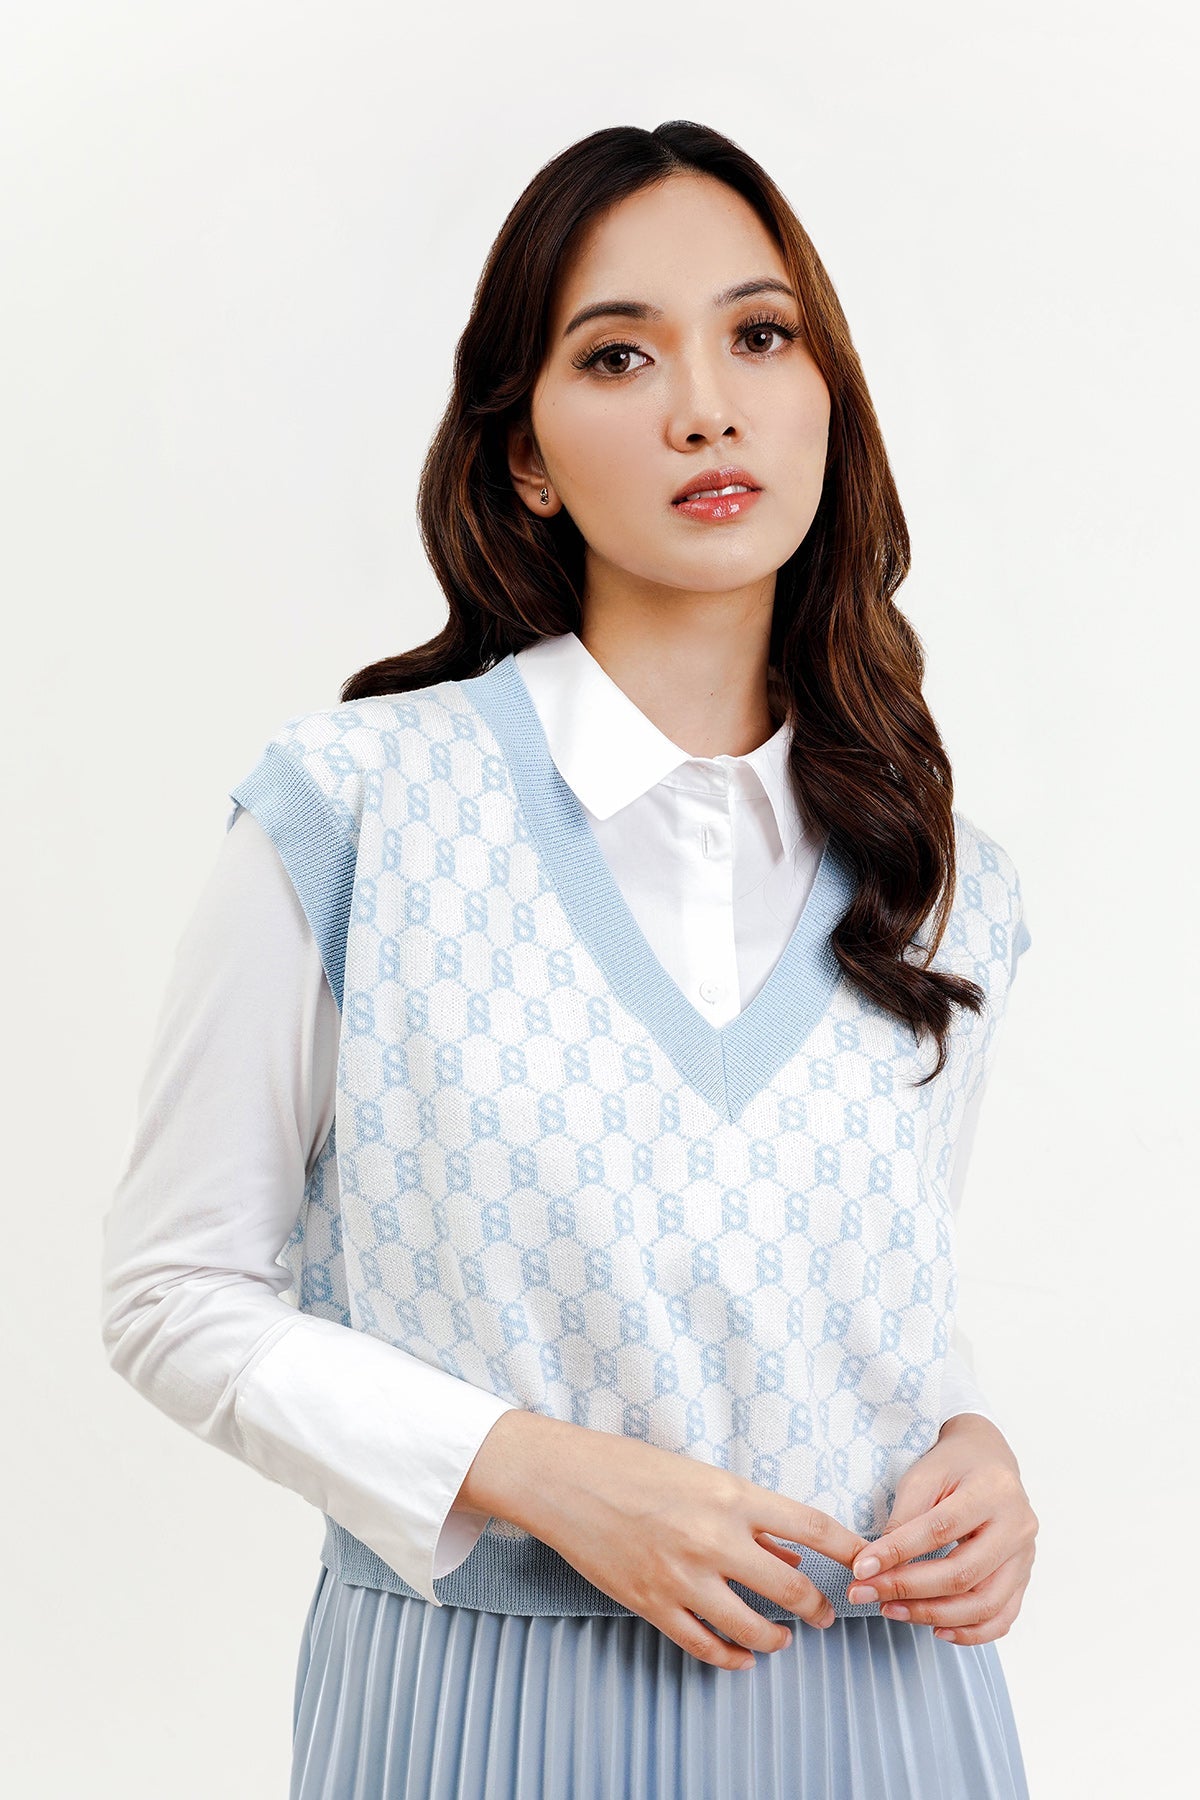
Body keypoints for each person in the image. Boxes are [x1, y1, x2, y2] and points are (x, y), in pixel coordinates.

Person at [100, 120, 1039, 1798]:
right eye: (620, 354)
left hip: (890, 1710)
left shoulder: (940, 879)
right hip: (484, 1715)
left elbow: (873, 1305)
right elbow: (174, 1296)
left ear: (828, 397)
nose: (707, 406)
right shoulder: (358, 809)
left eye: (761, 336)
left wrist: (974, 1455)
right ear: (525, 455)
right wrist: (533, 1472)